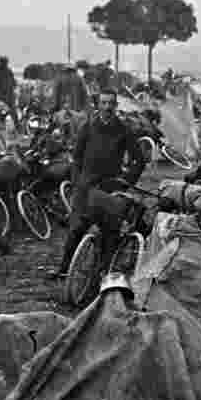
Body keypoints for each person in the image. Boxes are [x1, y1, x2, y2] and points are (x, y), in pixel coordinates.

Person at [50, 90, 147, 279]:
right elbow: (76, 158)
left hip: (110, 187)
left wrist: (126, 182)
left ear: (116, 106)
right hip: (86, 186)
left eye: (111, 103)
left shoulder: (123, 129)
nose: (107, 107)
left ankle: (103, 274)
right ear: (98, 105)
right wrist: (77, 181)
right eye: (104, 103)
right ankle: (64, 268)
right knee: (76, 229)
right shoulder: (88, 127)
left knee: (110, 233)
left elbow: (139, 161)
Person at [0, 56, 20, 132]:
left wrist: (14, 87)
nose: (5, 64)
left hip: (10, 97)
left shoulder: (9, 71)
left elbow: (13, 83)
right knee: (2, 114)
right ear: (1, 63)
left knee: (13, 114)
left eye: (6, 63)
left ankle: (17, 130)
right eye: (4, 62)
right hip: (2, 98)